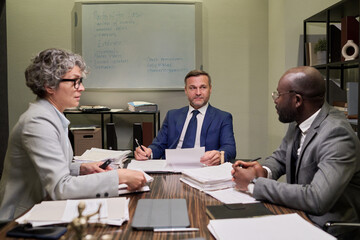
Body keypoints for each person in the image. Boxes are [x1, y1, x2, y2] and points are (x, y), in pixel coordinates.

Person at [0, 48, 146, 220]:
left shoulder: (51, 114)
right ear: (49, 86)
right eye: (75, 81)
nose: (82, 88)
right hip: (19, 220)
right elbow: (60, 188)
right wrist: (118, 177)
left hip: (41, 208)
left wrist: (81, 168)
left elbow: (49, 168)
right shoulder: (37, 122)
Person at [231, 66, 360, 239]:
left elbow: (317, 199)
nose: (275, 100)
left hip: (327, 228)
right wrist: (263, 171)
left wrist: (254, 185)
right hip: (299, 216)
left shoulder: (337, 135)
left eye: (278, 95)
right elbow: (280, 158)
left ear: (297, 100)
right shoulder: (300, 121)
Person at [134, 70, 236, 165]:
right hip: (172, 168)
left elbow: (229, 148)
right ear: (186, 90)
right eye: (192, 88)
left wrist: (219, 155)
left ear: (210, 89)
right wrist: (148, 152)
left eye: (203, 87)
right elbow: (159, 145)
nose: (198, 93)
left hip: (204, 168)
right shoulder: (172, 116)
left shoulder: (223, 117)